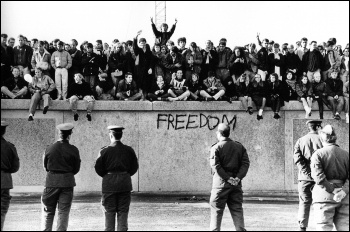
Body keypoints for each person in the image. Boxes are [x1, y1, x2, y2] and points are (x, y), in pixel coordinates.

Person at [94, 125, 139, 231]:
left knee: (109, 213)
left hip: (109, 184)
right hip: (124, 183)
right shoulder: (129, 150)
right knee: (123, 212)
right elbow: (134, 167)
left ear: (110, 135)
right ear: (121, 135)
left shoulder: (104, 151)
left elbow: (98, 168)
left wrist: (108, 176)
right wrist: (124, 174)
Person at [209, 123, 250, 231]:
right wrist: (238, 178)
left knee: (216, 211)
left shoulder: (216, 147)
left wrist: (227, 178)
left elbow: (216, 166)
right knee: (237, 210)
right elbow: (245, 164)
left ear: (219, 133)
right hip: (236, 185)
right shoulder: (239, 146)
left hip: (220, 185)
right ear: (228, 133)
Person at [41, 123, 81, 231]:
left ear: (59, 133)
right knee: (63, 212)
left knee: (48, 212)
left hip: (51, 182)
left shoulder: (49, 148)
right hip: (67, 183)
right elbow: (76, 168)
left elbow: (45, 167)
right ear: (70, 134)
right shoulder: (74, 150)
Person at [311, 125, 349, 231]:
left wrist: (332, 189)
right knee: (345, 227)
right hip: (344, 197)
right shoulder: (346, 155)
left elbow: (318, 177)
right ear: (335, 138)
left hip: (324, 197)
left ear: (321, 139)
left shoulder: (318, 154)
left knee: (323, 227)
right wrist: (343, 191)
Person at [293, 120, 323, 231]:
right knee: (322, 203)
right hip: (321, 177)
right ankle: (321, 226)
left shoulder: (300, 140)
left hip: (304, 178)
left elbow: (298, 160)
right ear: (319, 126)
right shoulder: (324, 140)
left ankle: (302, 227)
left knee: (304, 203)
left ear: (309, 128)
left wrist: (308, 173)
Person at [1, 121, 20, 231]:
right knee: (2, 211)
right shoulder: (10, 146)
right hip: (4, 180)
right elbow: (15, 167)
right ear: (4, 131)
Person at [133, 31, 154, 101]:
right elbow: (134, 46)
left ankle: (145, 96)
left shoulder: (149, 52)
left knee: (146, 84)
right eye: (141, 43)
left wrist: (150, 68)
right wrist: (136, 37)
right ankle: (141, 96)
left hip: (147, 71)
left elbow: (151, 61)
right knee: (140, 84)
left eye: (143, 43)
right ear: (139, 44)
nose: (142, 44)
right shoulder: (138, 50)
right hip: (139, 71)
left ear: (145, 43)